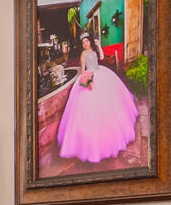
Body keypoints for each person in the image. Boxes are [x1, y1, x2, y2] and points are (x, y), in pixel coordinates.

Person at [56, 32, 139, 164]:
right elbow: (83, 70)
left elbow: (101, 56)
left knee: (111, 104)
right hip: (90, 76)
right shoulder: (83, 54)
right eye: (83, 43)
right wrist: (87, 81)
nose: (85, 44)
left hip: (101, 72)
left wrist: (99, 45)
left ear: (90, 42)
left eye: (87, 42)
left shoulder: (93, 50)